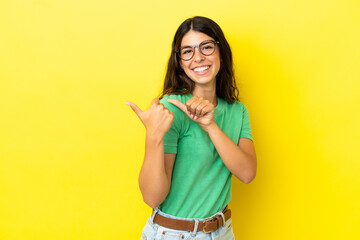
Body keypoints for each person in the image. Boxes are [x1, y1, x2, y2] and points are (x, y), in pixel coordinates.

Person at [127, 16, 257, 240]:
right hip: (175, 234)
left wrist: (210, 126)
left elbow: (247, 173)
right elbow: (152, 197)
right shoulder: (171, 109)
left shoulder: (238, 111)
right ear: (179, 61)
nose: (198, 57)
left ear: (221, 52)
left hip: (223, 231)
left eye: (206, 47)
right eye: (187, 51)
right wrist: (154, 136)